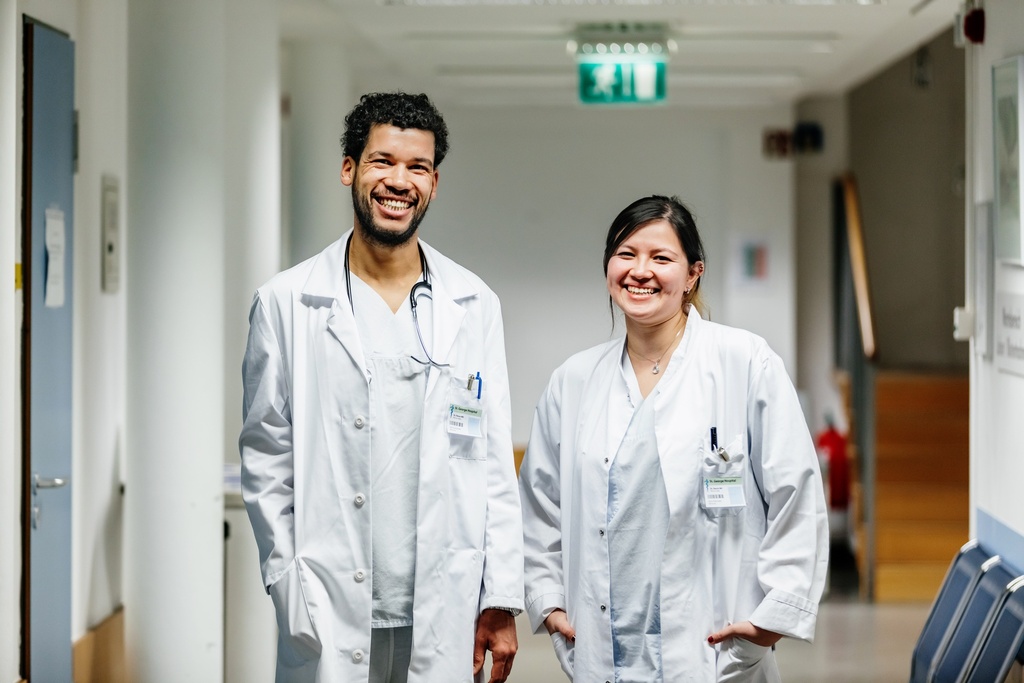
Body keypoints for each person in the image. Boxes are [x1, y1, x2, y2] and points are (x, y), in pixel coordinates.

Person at [240, 92, 524, 683]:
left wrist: (500, 595)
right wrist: (285, 580)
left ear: (434, 183)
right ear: (349, 169)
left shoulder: (473, 304)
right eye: (382, 161)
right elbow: (267, 458)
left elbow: (492, 461)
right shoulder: (287, 303)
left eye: (417, 167)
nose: (399, 181)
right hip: (328, 601)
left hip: (443, 602)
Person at [519, 195, 828, 682]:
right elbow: (539, 506)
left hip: (713, 648)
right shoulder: (574, 380)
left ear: (693, 274)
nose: (640, 271)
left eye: (661, 258)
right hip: (602, 644)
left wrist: (773, 618)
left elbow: (796, 491)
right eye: (626, 254)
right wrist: (548, 600)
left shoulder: (744, 362)